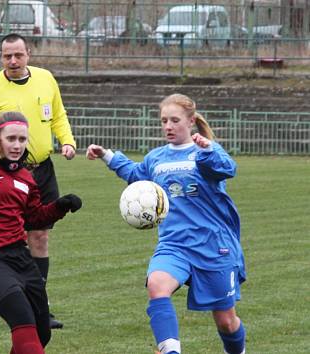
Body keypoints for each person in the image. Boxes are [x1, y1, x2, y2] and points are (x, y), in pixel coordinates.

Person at [86, 93, 246, 354]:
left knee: (226, 322)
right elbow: (137, 175)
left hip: (213, 246)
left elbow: (227, 168)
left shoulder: (206, 149)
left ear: (190, 121)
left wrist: (206, 150)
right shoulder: (156, 157)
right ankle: (171, 350)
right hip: (174, 244)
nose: (168, 126)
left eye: (174, 120)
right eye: (164, 121)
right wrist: (107, 156)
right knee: (156, 284)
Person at [0, 33, 76, 329]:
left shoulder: (46, 79)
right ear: (1, 57)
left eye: (18, 55)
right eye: (6, 56)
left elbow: (59, 115)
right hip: (0, 174)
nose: (12, 61)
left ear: (29, 54)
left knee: (39, 236)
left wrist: (67, 141)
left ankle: (40, 304)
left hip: (40, 168)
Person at [0, 111, 82, 354]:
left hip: (20, 258)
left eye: (22, 140)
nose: (17, 145)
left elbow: (34, 218)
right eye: (10, 138)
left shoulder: (26, 178)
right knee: (22, 317)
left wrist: (60, 206)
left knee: (41, 332)